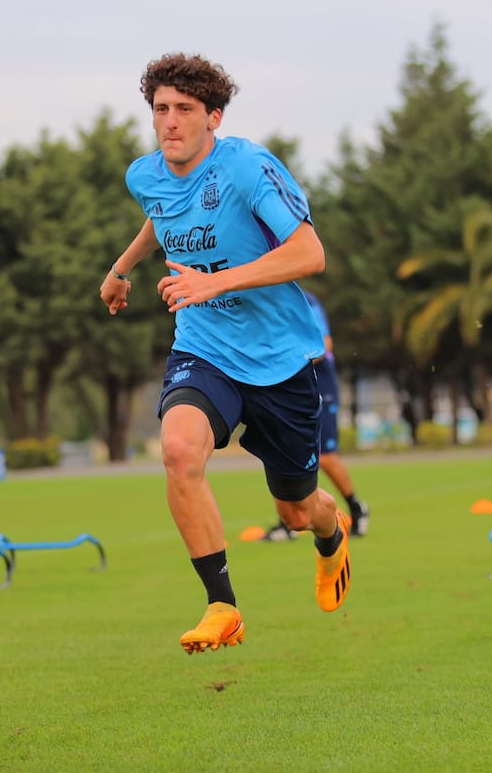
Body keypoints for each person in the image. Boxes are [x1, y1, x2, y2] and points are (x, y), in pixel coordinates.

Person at [99, 52, 351, 655]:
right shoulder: (144, 174)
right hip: (204, 348)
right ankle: (222, 606)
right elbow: (161, 215)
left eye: (185, 110)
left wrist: (214, 282)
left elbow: (309, 253)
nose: (170, 122)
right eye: (161, 109)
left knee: (296, 511)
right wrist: (121, 269)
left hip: (280, 360)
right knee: (179, 450)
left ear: (214, 117)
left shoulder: (246, 168)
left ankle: (331, 530)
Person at [262, 290, 370, 541]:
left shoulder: (305, 300)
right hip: (283, 388)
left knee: (325, 456)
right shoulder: (263, 296)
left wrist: (286, 364)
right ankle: (287, 522)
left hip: (319, 386)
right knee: (281, 451)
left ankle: (356, 507)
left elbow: (324, 345)